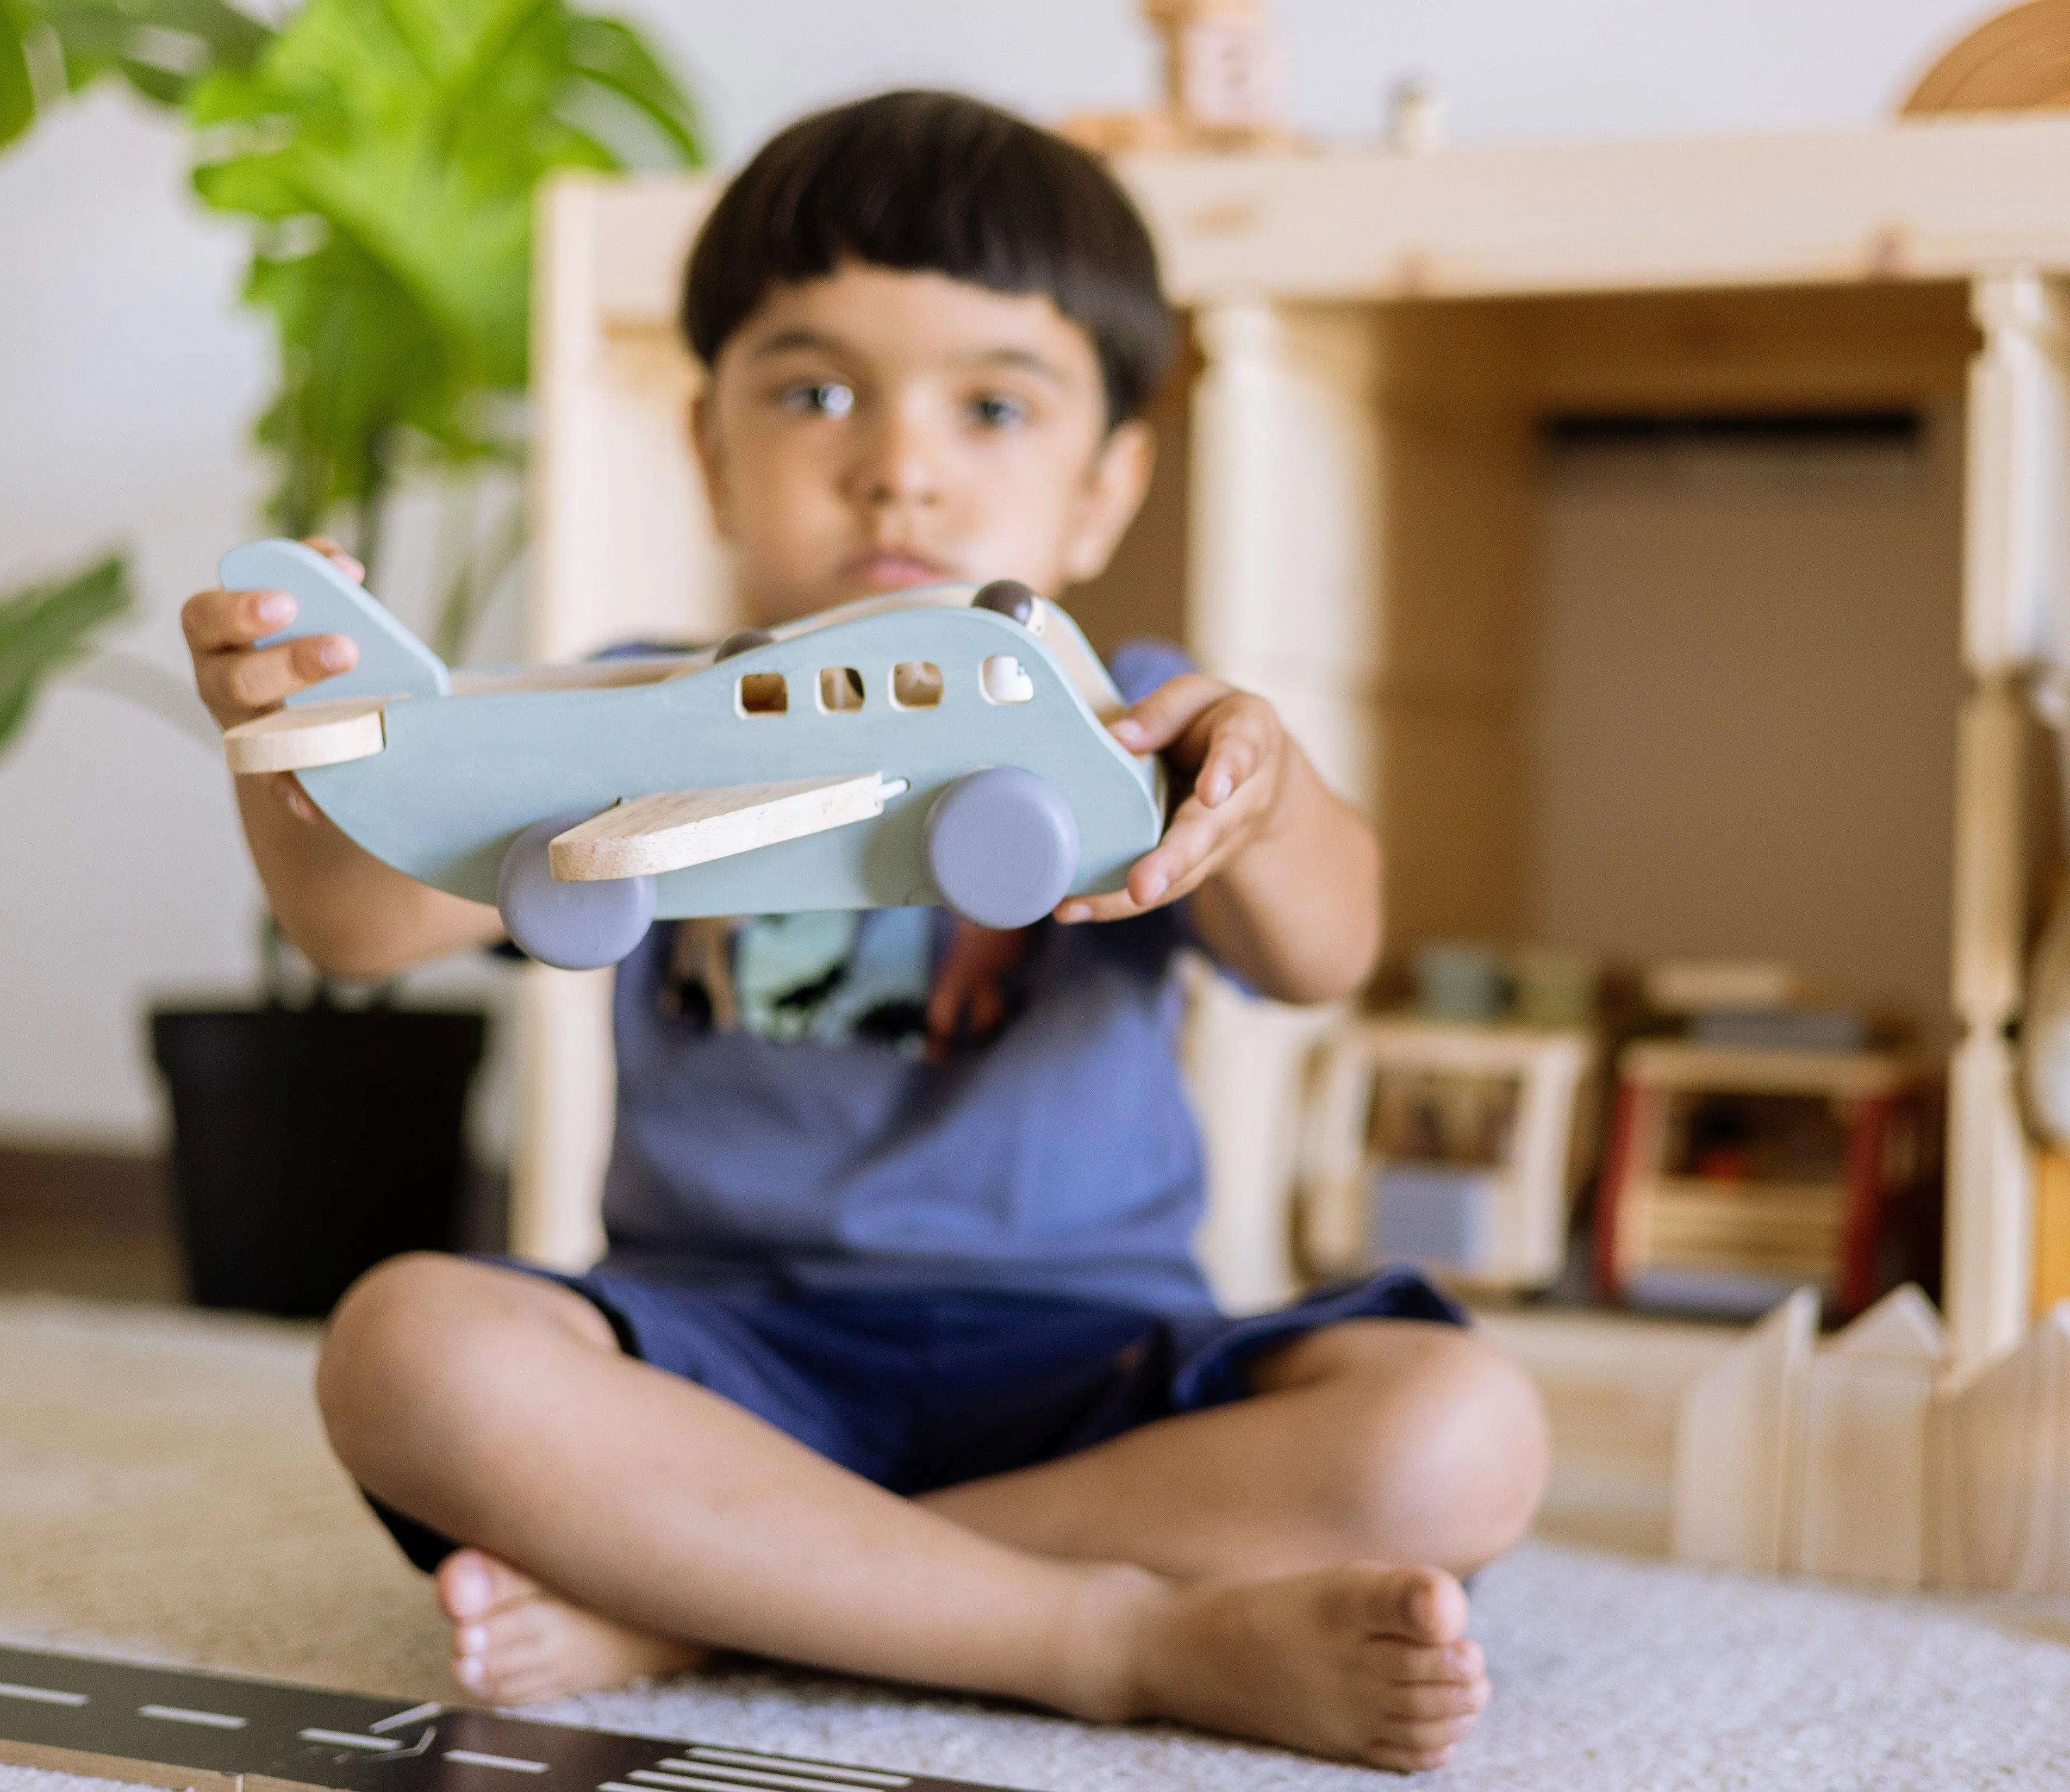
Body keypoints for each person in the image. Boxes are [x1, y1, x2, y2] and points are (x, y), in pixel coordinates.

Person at [180, 90, 1548, 1772]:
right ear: (710, 450)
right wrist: (289, 742)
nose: (899, 459)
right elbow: (364, 924)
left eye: (992, 404)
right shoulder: (642, 707)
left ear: (1108, 483)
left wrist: (1259, 798)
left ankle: (716, 1596)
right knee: (409, 1347)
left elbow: (1326, 950)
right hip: (715, 1350)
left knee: (1458, 1427)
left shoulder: (1123, 721)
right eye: (815, 389)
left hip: (1093, 1359)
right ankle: (1102, 1635)